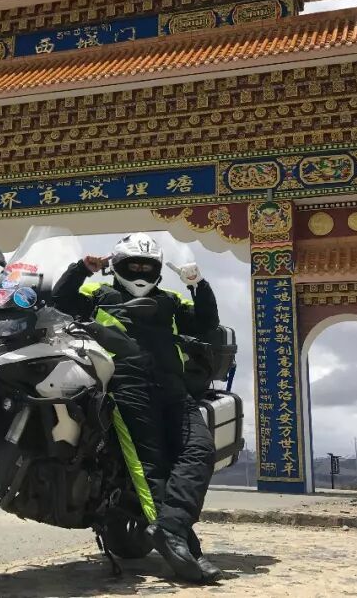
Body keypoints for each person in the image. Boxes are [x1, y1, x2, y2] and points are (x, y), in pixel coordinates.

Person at [53, 232, 222, 584]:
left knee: (201, 450)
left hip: (173, 388)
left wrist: (199, 285)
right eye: (134, 265)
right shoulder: (98, 293)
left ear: (158, 269)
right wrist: (81, 269)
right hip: (124, 384)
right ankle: (183, 548)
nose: (141, 272)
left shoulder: (171, 300)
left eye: (147, 266)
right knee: (150, 466)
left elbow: (206, 324)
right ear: (117, 265)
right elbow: (61, 301)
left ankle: (171, 529)